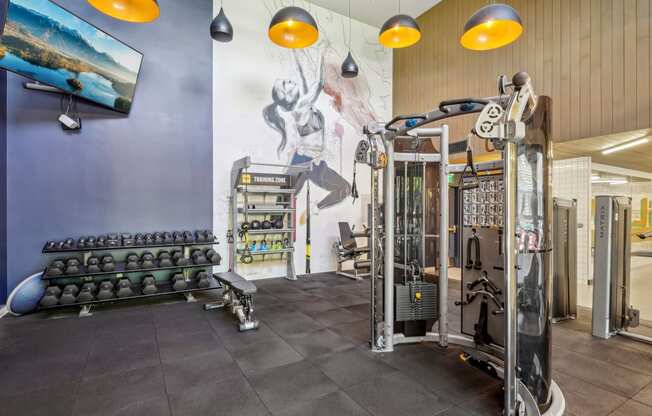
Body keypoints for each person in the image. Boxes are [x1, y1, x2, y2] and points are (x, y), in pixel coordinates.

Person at [263, 50, 351, 210]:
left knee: (345, 188)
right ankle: (275, 224)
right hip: (303, 162)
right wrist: (322, 55)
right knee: (283, 203)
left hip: (315, 163)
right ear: (287, 96)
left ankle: (315, 209)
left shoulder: (303, 104)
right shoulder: (300, 107)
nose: (287, 81)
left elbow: (302, 78)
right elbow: (318, 84)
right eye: (284, 84)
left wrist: (296, 54)